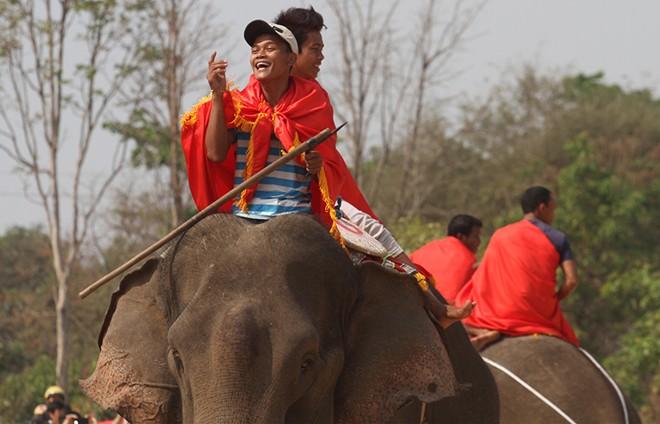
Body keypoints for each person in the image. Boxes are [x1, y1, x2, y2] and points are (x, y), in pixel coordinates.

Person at [273, 6, 474, 327]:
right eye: (316, 50)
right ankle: (436, 310)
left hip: (316, 192)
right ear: (292, 54)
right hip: (286, 201)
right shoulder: (261, 95)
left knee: (375, 230)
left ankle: (434, 305)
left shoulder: (309, 95)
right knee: (376, 235)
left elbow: (323, 158)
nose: (322, 57)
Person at [181, 19, 373, 243]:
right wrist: (217, 95)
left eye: (270, 48)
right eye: (255, 50)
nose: (260, 54)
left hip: (295, 216)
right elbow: (215, 154)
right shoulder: (241, 107)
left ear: (290, 59)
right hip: (243, 217)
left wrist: (316, 164)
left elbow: (328, 163)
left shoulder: (313, 103)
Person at [455, 186, 579, 350]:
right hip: (538, 315)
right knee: (572, 344)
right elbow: (571, 281)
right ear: (542, 208)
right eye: (553, 208)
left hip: (497, 313)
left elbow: (485, 273)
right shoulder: (558, 238)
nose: (554, 214)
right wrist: (552, 300)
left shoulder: (501, 234)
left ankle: (486, 332)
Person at [410, 214, 482, 304]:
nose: (479, 242)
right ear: (461, 237)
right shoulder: (470, 261)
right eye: (476, 236)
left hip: (414, 305)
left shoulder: (421, 251)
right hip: (449, 312)